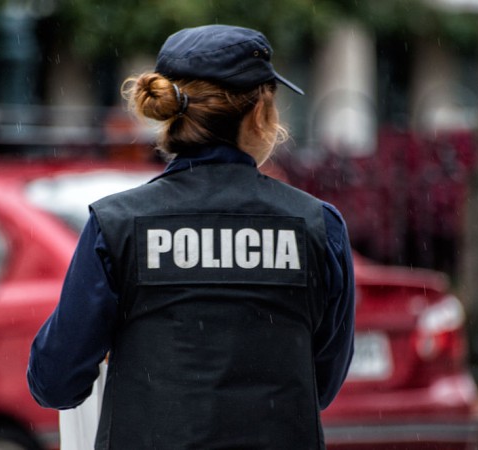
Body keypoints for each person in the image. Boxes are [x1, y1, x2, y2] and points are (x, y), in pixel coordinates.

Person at [27, 24, 355, 450]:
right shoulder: (318, 226)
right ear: (259, 114)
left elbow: (55, 381)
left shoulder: (117, 225)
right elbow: (322, 384)